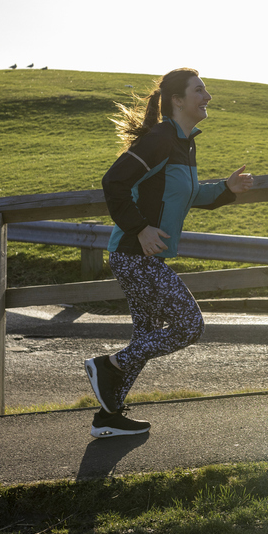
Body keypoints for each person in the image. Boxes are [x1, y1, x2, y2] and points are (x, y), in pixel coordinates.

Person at [85, 68, 254, 438]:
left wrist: (227, 188)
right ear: (178, 99)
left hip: (146, 256)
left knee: (146, 335)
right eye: (200, 90)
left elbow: (189, 195)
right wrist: (140, 228)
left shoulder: (183, 141)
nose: (207, 96)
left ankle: (107, 419)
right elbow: (114, 182)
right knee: (189, 326)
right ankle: (108, 366)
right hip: (134, 253)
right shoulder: (160, 139)